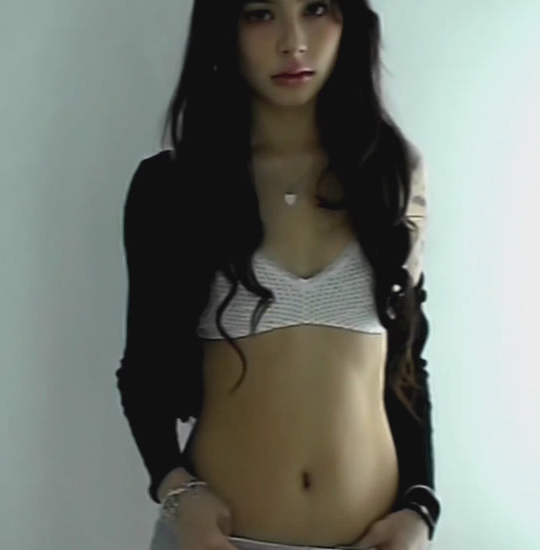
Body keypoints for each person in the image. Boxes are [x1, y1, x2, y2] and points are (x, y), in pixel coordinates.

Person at [115, 1, 441, 549]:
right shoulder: (174, 187)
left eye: (316, 8)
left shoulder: (392, 176)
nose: (294, 41)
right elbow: (142, 372)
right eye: (260, 14)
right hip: (220, 540)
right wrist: (175, 490)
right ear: (225, 27)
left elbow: (407, 364)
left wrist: (421, 506)